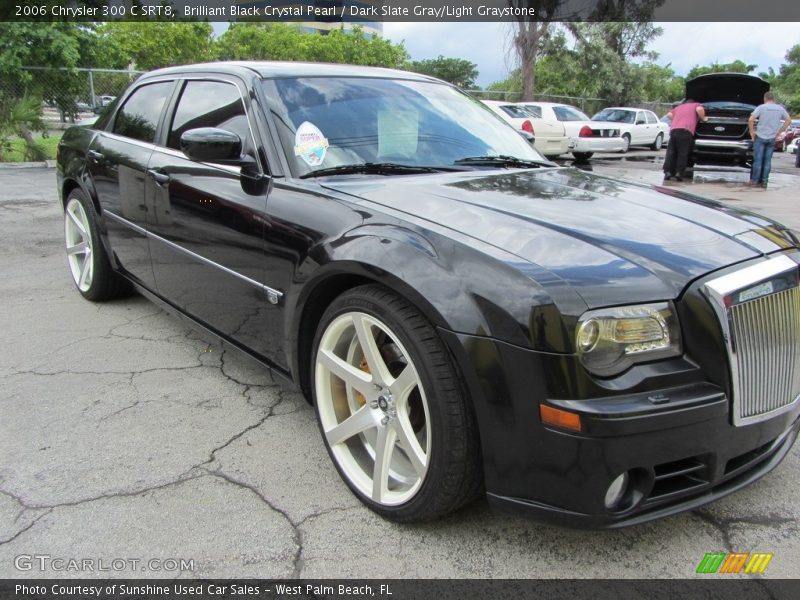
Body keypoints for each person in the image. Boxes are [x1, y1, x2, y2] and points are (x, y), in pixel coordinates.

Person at [748, 92, 791, 187]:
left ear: (765, 98)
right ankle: (764, 181)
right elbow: (788, 120)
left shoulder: (761, 107)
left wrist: (752, 132)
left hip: (760, 136)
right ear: (773, 99)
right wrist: (780, 131)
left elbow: (751, 119)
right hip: (772, 137)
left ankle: (755, 180)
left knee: (758, 160)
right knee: (767, 160)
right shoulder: (780, 109)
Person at [663, 99, 707, 181]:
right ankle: (679, 173)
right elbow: (699, 109)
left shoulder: (679, 107)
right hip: (685, 131)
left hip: (674, 130)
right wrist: (703, 118)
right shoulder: (696, 104)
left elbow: (669, 115)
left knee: (671, 152)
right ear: (692, 102)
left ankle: (668, 172)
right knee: (682, 153)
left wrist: (678, 119)